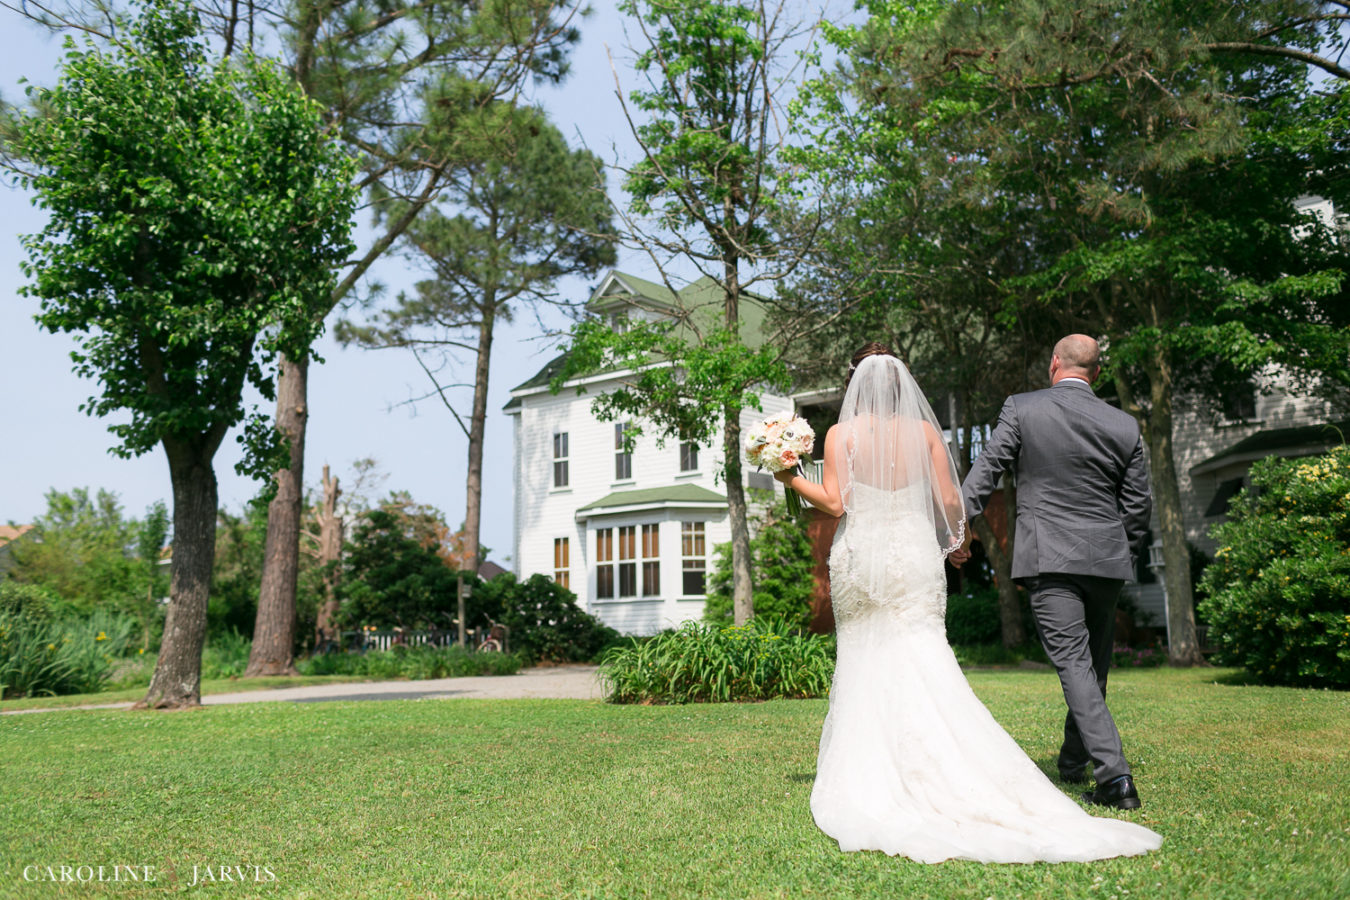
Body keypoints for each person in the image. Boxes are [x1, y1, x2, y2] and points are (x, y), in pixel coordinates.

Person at [775, 342, 1160, 863]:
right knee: (933, 651)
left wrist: (788, 477)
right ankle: (1065, 762)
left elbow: (838, 502)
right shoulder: (927, 432)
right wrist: (958, 541)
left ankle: (872, 767)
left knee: (865, 655)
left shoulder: (843, 434)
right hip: (919, 554)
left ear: (855, 384)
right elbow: (953, 497)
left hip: (863, 553)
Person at [956, 334, 1153, 812]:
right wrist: (1117, 549)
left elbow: (988, 469)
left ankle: (1115, 778)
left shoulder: (1022, 409)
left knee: (1075, 664)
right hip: (1106, 560)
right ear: (1097, 374)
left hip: (1050, 558)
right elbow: (1138, 504)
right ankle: (1072, 761)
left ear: (1053, 365)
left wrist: (958, 528)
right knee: (1092, 667)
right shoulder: (1124, 424)